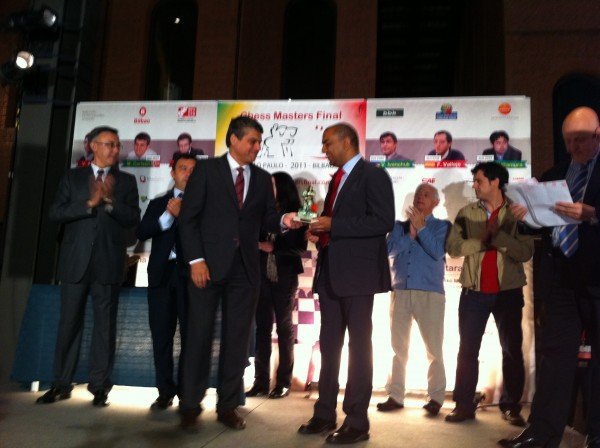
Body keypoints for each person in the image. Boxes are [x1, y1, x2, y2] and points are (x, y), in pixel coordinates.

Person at [177, 116, 300, 431]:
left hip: (245, 271)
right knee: (198, 337)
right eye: (252, 141)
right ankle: (190, 405)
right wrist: (196, 260)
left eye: (259, 142)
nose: (257, 147)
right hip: (206, 268)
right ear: (233, 139)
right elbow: (188, 219)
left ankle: (228, 405)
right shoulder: (206, 171)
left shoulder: (262, 178)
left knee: (237, 340)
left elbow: (267, 219)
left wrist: (283, 221)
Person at [499, 107, 600, 448]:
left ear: (597, 135)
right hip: (560, 274)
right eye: (567, 141)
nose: (572, 148)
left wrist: (593, 214)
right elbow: (540, 225)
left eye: (579, 140)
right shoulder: (556, 173)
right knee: (554, 355)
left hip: (596, 276)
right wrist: (524, 216)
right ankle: (542, 433)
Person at [298, 123, 395, 444]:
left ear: (346, 142)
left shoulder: (373, 175)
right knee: (328, 347)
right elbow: (338, 226)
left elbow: (382, 221)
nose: (324, 149)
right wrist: (321, 232)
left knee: (359, 348)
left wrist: (334, 224)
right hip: (330, 275)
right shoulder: (336, 179)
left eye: (327, 143)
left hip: (358, 276)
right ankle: (324, 413)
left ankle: (356, 421)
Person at [37, 126, 140, 407]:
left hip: (108, 262)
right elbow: (55, 213)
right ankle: (61, 384)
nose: (115, 150)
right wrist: (88, 203)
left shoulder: (126, 181)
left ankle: (99, 386)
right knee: (69, 324)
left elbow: (133, 218)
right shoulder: (72, 177)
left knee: (104, 327)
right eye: (109, 144)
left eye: (117, 145)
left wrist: (109, 202)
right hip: (75, 262)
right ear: (93, 146)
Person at [445, 162, 532, 425]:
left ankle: (511, 406)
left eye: (479, 181)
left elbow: (526, 252)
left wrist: (500, 239)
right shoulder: (467, 212)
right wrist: (482, 241)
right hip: (474, 292)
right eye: (474, 181)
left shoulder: (517, 212)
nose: (474, 186)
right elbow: (453, 247)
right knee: (467, 350)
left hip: (508, 292)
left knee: (512, 350)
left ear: (495, 182)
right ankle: (463, 405)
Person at [377, 183, 450, 417]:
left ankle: (436, 398)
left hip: (430, 293)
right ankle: (395, 395)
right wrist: (410, 234)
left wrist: (422, 229)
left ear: (435, 202)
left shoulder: (442, 226)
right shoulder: (399, 226)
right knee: (398, 347)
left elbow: (437, 251)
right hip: (400, 291)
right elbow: (388, 251)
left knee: (434, 348)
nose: (421, 197)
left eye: (426, 194)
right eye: (418, 193)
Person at [136, 154, 197, 411]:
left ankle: (187, 393)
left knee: (190, 338)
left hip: (190, 277)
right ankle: (164, 391)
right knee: (161, 336)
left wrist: (183, 215)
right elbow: (142, 231)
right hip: (161, 276)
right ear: (173, 172)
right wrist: (168, 217)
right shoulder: (158, 202)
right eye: (183, 168)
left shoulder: (203, 204)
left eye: (193, 169)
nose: (188, 173)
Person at [246, 172, 307, 399]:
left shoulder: (297, 213)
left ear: (282, 187)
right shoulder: (261, 209)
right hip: (261, 274)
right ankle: (260, 381)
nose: (267, 188)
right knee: (262, 328)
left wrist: (275, 247)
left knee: (283, 327)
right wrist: (257, 244)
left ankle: (283, 382)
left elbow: (300, 247)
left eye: (272, 184)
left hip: (285, 275)